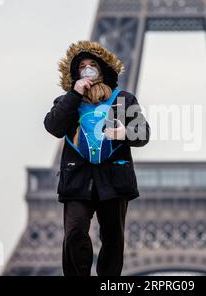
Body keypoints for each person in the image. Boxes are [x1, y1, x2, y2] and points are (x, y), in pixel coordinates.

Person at [43, 40, 150, 276]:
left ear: (103, 69)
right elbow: (53, 126)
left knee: (113, 239)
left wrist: (123, 133)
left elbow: (143, 133)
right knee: (74, 232)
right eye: (82, 66)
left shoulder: (123, 100)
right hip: (78, 181)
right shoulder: (67, 102)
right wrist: (75, 93)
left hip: (113, 181)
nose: (88, 69)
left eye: (93, 64)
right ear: (76, 72)